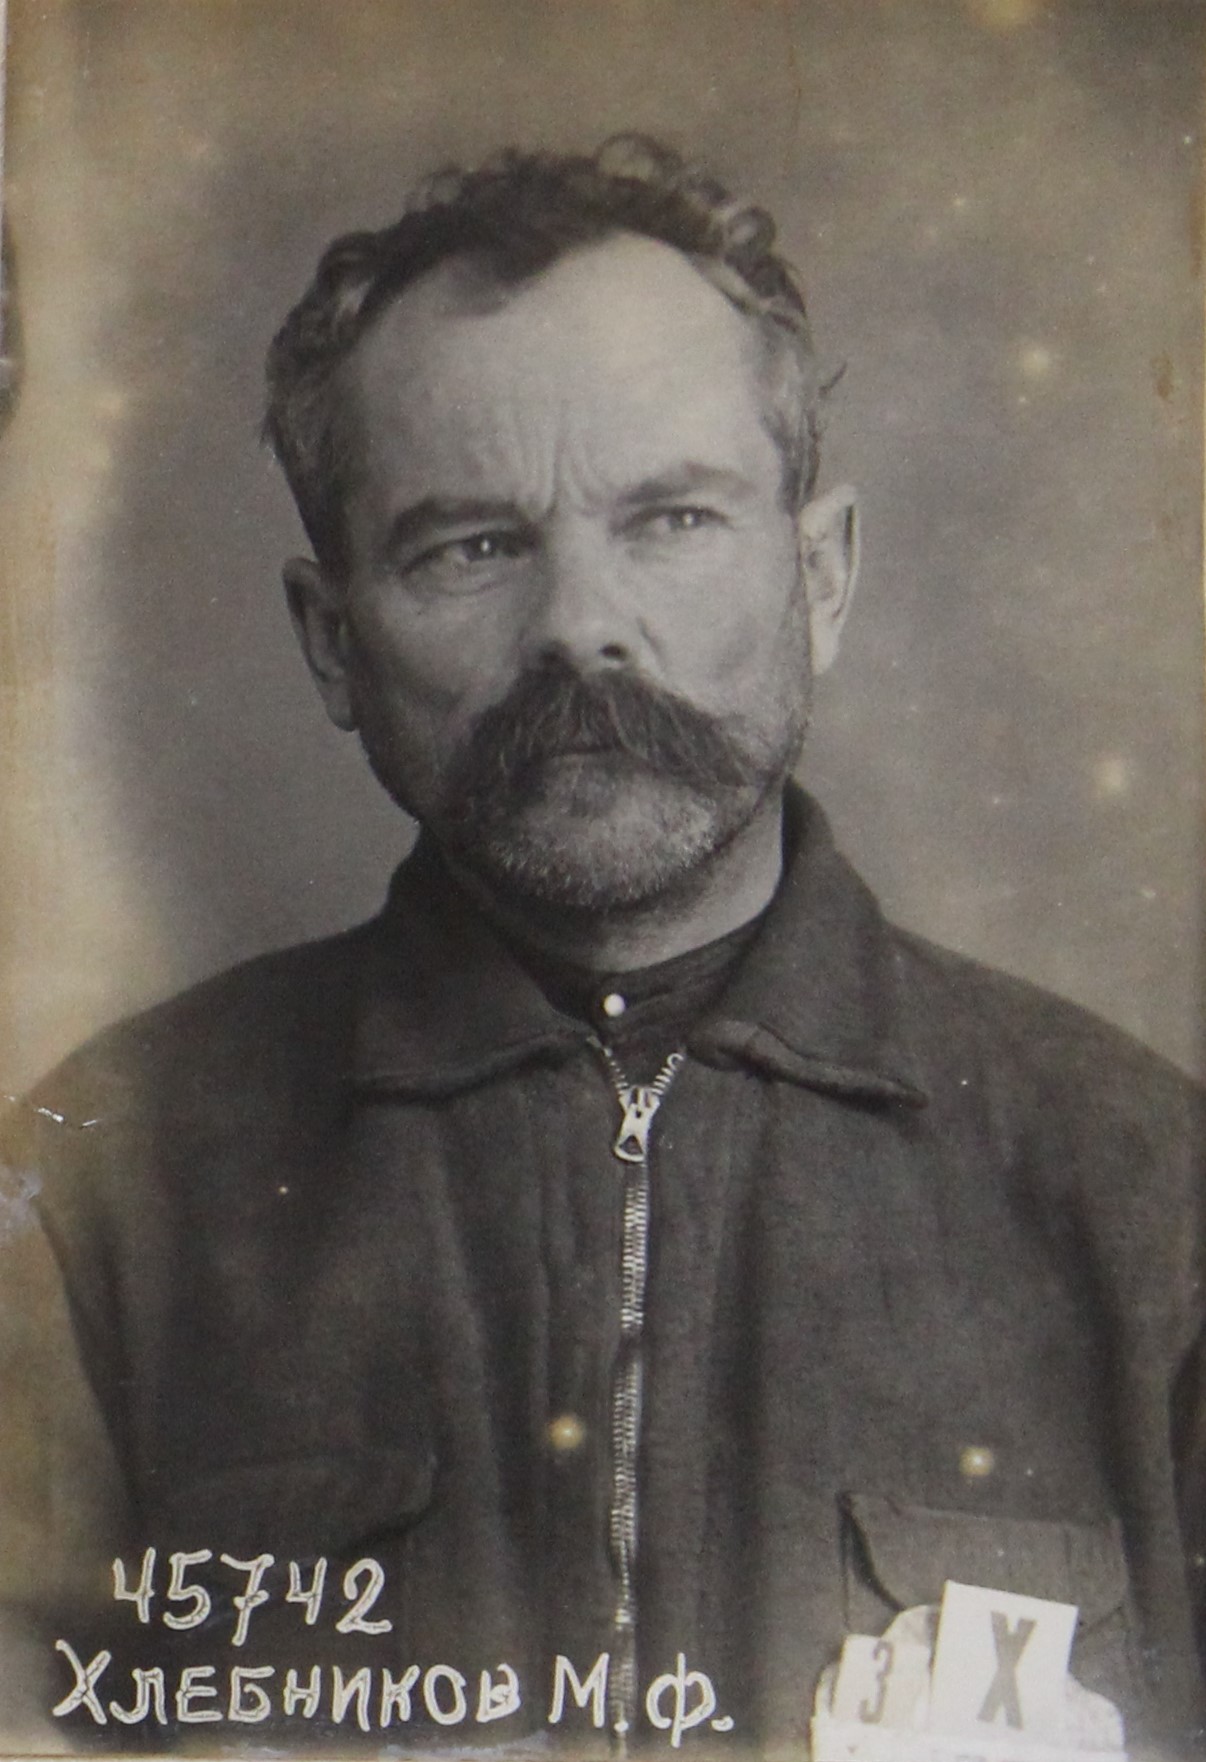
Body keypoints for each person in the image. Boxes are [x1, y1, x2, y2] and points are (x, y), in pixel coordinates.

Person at [0, 136, 1203, 1758]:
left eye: (672, 518)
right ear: (331, 640)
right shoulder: (95, 1197)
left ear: (821, 576)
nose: (581, 622)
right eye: (470, 545)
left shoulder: (1147, 1199)